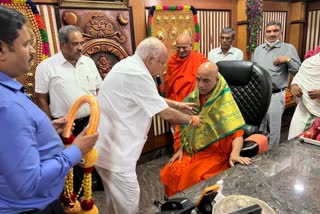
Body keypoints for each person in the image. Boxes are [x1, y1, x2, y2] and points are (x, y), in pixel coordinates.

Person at [0, 5, 98, 213]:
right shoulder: (7, 106)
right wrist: (75, 150)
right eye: (26, 44)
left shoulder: (8, 93)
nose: (33, 50)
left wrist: (45, 128)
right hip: (33, 207)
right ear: (1, 50)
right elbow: (29, 182)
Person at [94, 37, 202, 214]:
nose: (162, 68)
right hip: (117, 153)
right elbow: (164, 113)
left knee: (114, 198)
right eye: (161, 62)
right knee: (129, 200)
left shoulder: (129, 65)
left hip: (105, 148)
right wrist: (191, 120)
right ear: (150, 59)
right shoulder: (138, 74)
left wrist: (177, 104)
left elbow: (148, 96)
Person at [160, 62, 251, 197]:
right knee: (173, 169)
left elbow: (237, 133)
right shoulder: (195, 97)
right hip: (193, 148)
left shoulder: (224, 101)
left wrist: (235, 154)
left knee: (194, 177)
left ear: (216, 80)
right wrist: (180, 148)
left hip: (216, 152)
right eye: (198, 79)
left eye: (206, 81)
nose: (200, 85)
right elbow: (182, 125)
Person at [35, 25, 102, 136]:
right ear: (62, 44)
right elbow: (42, 99)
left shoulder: (88, 62)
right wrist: (50, 128)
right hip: (66, 126)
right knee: (71, 153)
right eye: (75, 44)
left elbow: (99, 90)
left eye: (81, 43)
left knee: (95, 153)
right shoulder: (46, 66)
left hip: (92, 121)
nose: (80, 48)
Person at [252, 20, 301, 148]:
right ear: (265, 34)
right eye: (268, 31)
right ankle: (260, 154)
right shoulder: (258, 50)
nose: (271, 34)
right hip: (259, 95)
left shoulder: (288, 48)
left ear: (280, 33)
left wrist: (288, 59)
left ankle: (272, 157)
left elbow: (298, 71)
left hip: (275, 95)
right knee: (259, 127)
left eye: (275, 31)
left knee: (274, 130)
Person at [165, 33, 208, 102]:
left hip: (196, 100)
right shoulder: (172, 61)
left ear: (191, 46)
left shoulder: (199, 58)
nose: (181, 50)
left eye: (184, 47)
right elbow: (169, 85)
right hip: (177, 100)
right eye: (178, 47)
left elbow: (209, 75)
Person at [288, 52, 320, 139]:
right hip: (303, 110)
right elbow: (298, 78)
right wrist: (294, 86)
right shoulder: (309, 62)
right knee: (294, 141)